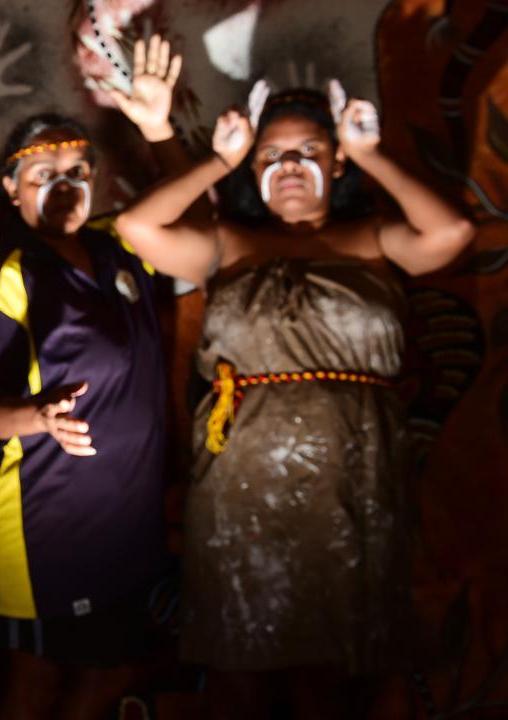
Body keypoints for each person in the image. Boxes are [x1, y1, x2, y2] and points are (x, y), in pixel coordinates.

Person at [115, 82, 474, 718]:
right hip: (242, 485)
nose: (290, 167)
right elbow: (136, 226)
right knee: (245, 663)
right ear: (254, 168)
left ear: (336, 163)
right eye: (272, 155)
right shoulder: (228, 245)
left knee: (336, 674)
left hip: (354, 479)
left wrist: (371, 154)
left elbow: (452, 232)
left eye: (310, 150)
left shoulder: (374, 239)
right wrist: (218, 162)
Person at [0, 36, 195, 720]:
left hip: (130, 514)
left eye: (77, 169)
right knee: (35, 677)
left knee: (106, 669)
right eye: (41, 173)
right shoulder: (11, 272)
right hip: (48, 514)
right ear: (10, 189)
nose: (65, 184)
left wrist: (160, 130)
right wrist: (37, 418)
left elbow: (205, 229)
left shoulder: (124, 246)